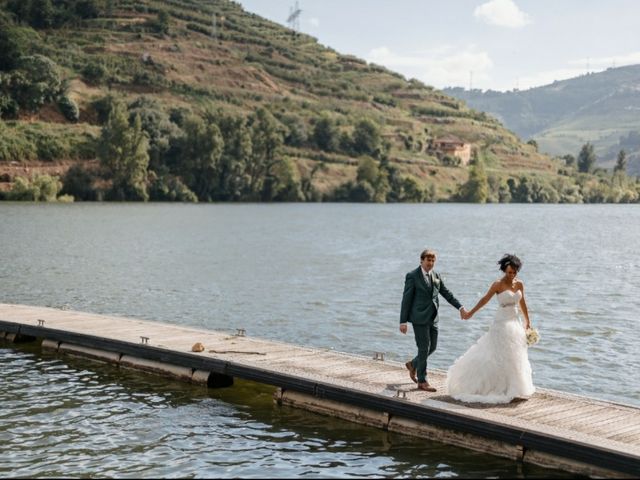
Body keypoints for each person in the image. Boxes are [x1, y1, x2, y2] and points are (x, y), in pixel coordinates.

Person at [446, 254, 535, 403]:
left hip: (515, 321)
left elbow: (522, 302)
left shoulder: (520, 284)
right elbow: (484, 300)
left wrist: (528, 320)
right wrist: (470, 313)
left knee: (515, 354)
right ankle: (494, 386)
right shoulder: (497, 285)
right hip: (502, 322)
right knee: (498, 354)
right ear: (504, 271)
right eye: (508, 272)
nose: (511, 275)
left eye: (514, 272)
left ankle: (512, 387)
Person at [400, 249, 467, 392]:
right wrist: (403, 321)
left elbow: (446, 293)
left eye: (432, 261)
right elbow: (406, 299)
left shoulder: (436, 276)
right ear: (421, 260)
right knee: (423, 348)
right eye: (428, 260)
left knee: (433, 347)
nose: (430, 263)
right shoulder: (412, 276)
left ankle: (413, 364)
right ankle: (422, 381)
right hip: (419, 318)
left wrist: (460, 307)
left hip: (433, 317)